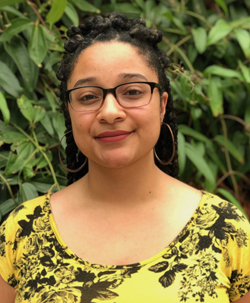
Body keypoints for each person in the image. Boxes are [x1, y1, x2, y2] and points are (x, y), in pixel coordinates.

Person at [0, 12, 250, 303]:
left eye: (132, 91)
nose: (110, 112)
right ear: (69, 112)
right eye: (88, 96)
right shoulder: (23, 229)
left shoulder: (224, 228)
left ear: (161, 105)